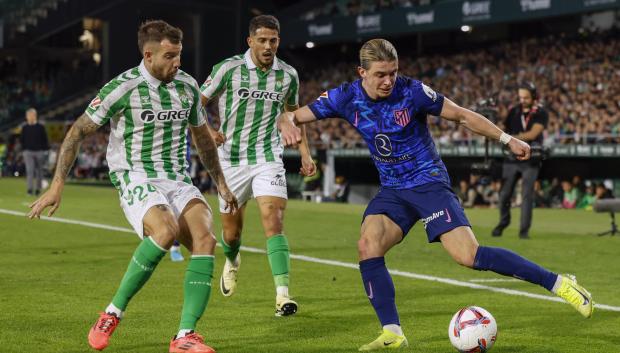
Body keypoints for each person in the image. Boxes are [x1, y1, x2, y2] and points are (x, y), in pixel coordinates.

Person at [277, 39, 594, 351]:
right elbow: (292, 114)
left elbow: (461, 115)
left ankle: (559, 283)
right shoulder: (344, 97)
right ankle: (392, 332)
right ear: (362, 72)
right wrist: (285, 121)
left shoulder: (412, 91)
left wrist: (506, 138)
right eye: (381, 75)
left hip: (428, 183)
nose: (389, 80)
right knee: (367, 244)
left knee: (468, 256)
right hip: (393, 189)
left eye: (393, 72)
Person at [28, 20, 238, 353]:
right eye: (170, 56)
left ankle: (184, 336)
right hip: (134, 173)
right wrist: (57, 186)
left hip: (177, 177)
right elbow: (77, 133)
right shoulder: (122, 87)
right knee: (166, 231)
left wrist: (222, 184)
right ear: (149, 54)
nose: (177, 63)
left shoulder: (187, 86)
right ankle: (112, 312)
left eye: (180, 55)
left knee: (205, 239)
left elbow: (202, 139)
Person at [200, 15, 316, 316]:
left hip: (267, 157)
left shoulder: (287, 75)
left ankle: (283, 295)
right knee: (231, 235)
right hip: (231, 160)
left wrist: (305, 153)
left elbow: (294, 116)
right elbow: (195, 104)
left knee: (273, 217)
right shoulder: (228, 69)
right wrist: (210, 131)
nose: (268, 46)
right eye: (262, 40)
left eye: (273, 41)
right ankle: (233, 260)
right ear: (250, 41)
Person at [492, 82, 548, 239]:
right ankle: (503, 223)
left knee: (526, 196)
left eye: (526, 97)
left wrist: (510, 138)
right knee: (504, 195)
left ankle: (524, 231)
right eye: (520, 97)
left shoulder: (541, 112)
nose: (522, 100)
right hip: (512, 158)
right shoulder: (513, 111)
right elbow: (503, 129)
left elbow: (532, 134)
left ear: (534, 97)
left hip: (531, 159)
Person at [20, 108, 49, 195]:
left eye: (30, 115)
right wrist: (24, 149)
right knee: (30, 170)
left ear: (34, 116)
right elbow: (22, 139)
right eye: (28, 115)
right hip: (28, 152)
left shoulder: (40, 127)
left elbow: (44, 139)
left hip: (39, 151)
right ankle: (29, 189)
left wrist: (45, 150)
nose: (29, 117)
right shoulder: (25, 127)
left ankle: (38, 189)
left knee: (39, 171)